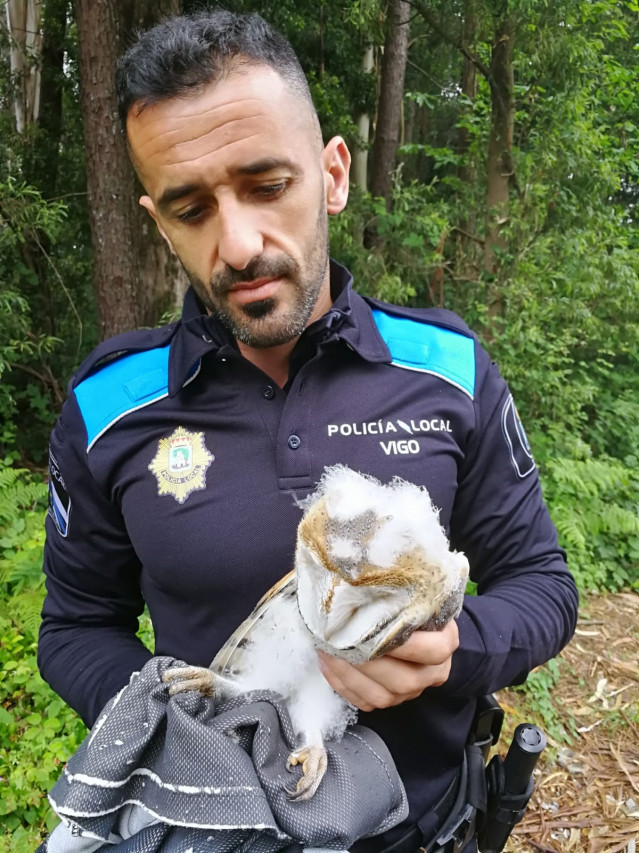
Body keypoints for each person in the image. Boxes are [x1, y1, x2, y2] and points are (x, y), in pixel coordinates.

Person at [38, 10, 578, 853]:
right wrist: (179, 728)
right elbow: (74, 627)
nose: (239, 243)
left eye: (266, 185)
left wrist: (456, 649)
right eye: (191, 207)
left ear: (331, 174)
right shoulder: (109, 405)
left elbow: (541, 582)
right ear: (157, 221)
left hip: (423, 829)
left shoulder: (446, 369)